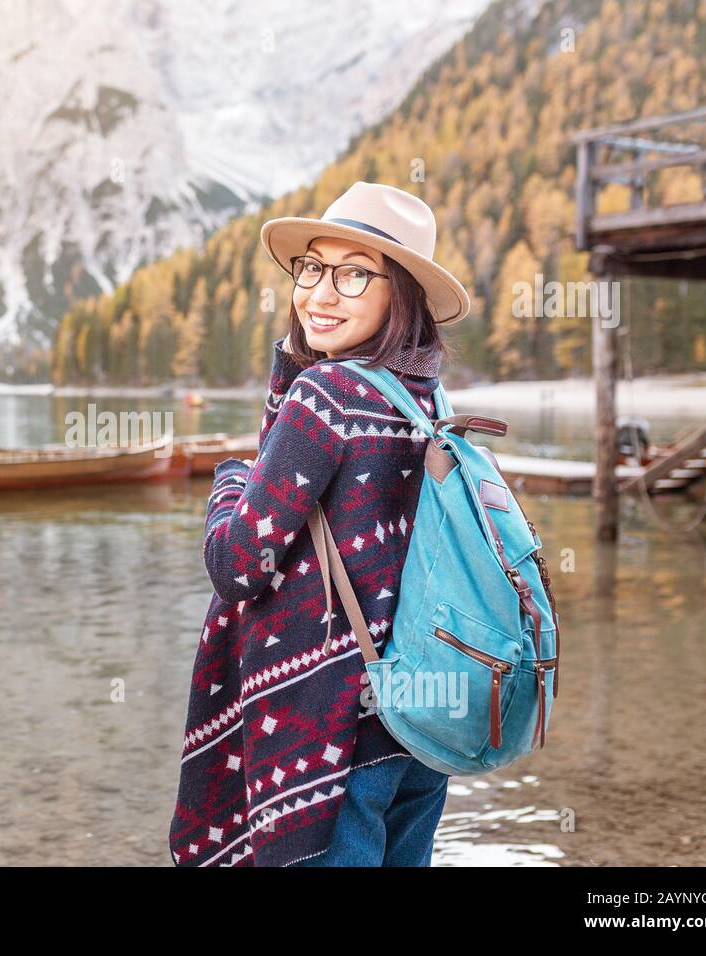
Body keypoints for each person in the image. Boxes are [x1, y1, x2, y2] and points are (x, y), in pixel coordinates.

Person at [168, 181, 471, 867]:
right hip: (420, 713)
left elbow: (237, 565)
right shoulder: (427, 396)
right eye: (311, 268)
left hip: (334, 731)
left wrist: (230, 481)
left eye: (353, 275)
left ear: (402, 293)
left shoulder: (329, 395)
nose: (320, 295)